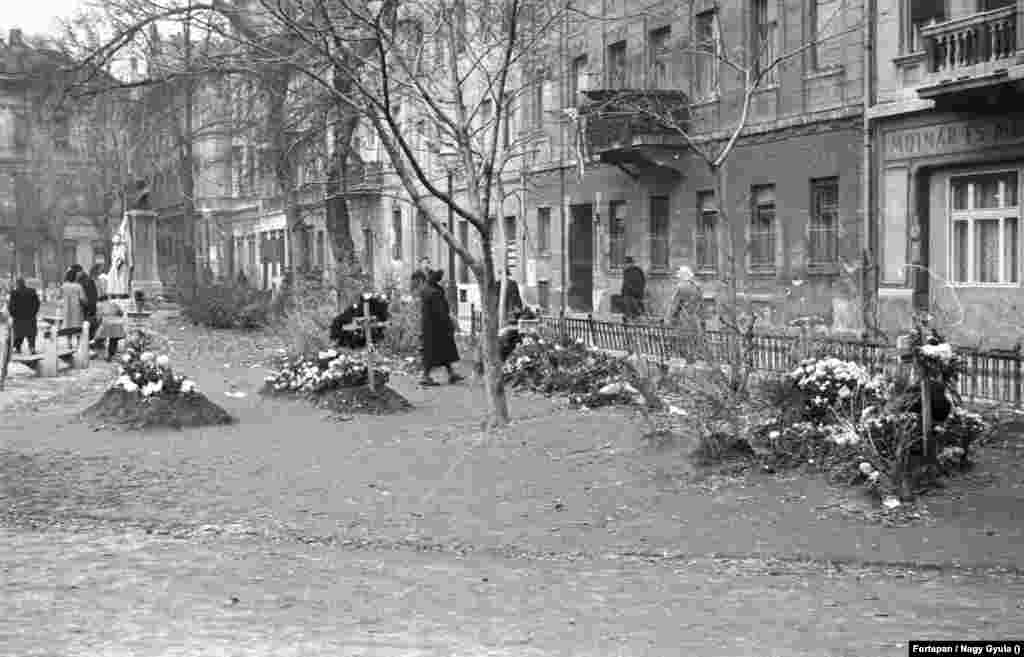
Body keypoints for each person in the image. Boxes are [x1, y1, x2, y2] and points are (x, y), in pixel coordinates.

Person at [419, 268, 464, 386]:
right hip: (437, 326)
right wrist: (449, 323)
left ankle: (451, 373)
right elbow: (441, 311)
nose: (440, 280)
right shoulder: (434, 292)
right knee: (434, 351)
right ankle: (425, 376)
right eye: (439, 278)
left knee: (443, 350)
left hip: (430, 326)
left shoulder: (427, 289)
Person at [7, 277, 40, 355]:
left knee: (18, 334)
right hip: (30, 318)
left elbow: (11, 306)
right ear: (24, 283)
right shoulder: (32, 291)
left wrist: (13, 315)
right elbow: (37, 304)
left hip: (18, 318)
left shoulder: (14, 293)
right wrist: (33, 313)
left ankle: (17, 348)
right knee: (31, 334)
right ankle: (32, 348)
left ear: (17, 284)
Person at [93, 292, 126, 361]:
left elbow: (98, 317)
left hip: (107, 322)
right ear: (107, 298)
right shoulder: (114, 304)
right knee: (113, 340)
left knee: (98, 338)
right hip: (117, 323)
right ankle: (111, 355)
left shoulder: (99, 305)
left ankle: (100, 353)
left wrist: (98, 324)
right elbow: (121, 313)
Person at [60, 268, 85, 346]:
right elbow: (82, 298)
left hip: (66, 308)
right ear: (74, 276)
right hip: (77, 308)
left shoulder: (63, 286)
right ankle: (78, 343)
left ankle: (69, 342)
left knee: (68, 325)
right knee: (77, 325)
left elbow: (60, 297)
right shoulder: (78, 286)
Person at [81, 268, 100, 339]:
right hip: (92, 305)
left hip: (86, 306)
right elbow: (95, 294)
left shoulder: (81, 283)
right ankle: (91, 338)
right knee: (92, 321)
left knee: (86, 322)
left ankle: (88, 338)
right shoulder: (91, 281)